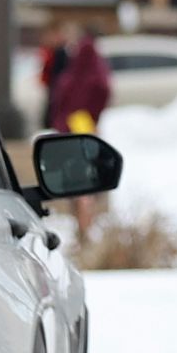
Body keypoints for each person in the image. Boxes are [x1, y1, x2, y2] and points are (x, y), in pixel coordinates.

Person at [41, 23, 113, 231]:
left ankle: (84, 223)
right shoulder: (88, 70)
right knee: (81, 180)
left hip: (78, 127)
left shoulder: (80, 71)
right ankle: (83, 223)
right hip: (80, 126)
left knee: (81, 180)